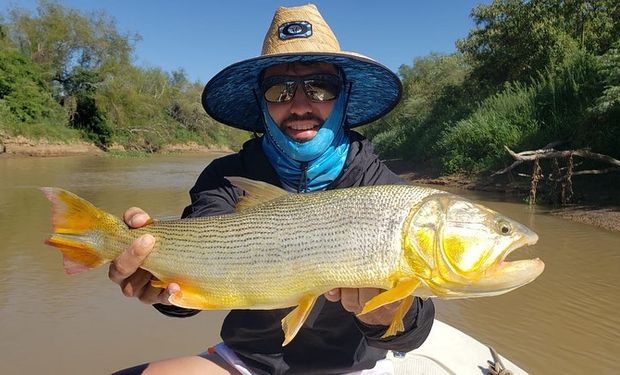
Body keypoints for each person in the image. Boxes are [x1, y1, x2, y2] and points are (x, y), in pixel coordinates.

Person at [112, 4, 434, 374]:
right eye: (279, 90)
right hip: (247, 362)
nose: (299, 105)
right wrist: (158, 283)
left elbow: (415, 331)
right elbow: (197, 274)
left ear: (343, 97)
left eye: (319, 87)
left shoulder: (386, 194)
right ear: (262, 103)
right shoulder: (227, 177)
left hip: (353, 367)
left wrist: (389, 315)